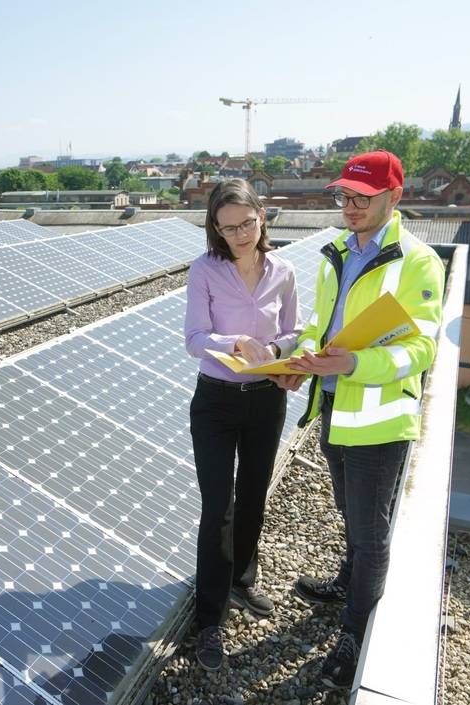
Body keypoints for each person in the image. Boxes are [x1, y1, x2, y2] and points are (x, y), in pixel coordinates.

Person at [274, 150, 445, 690]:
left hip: (380, 423)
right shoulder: (337, 254)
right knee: (349, 511)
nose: (350, 207)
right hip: (334, 409)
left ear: (394, 197)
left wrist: (353, 365)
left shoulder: (417, 261)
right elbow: (320, 326)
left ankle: (354, 634)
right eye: (344, 196)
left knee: (371, 533)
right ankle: (347, 583)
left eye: (362, 198)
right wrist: (302, 360)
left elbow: (421, 349)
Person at [184, 178, 301, 671]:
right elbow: (194, 339)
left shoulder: (284, 271)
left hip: (266, 399)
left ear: (262, 217)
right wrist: (234, 343)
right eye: (227, 227)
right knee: (219, 506)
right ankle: (209, 620)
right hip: (216, 402)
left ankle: (241, 581)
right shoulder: (204, 271)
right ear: (215, 228)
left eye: (247, 224)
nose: (239, 235)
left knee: (254, 494)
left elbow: (295, 330)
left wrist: (274, 349)